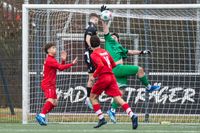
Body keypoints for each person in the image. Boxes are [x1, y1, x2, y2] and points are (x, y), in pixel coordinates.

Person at [100, 5, 161, 123]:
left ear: (118, 39)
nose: (112, 37)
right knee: (139, 69)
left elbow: (131, 52)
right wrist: (103, 17)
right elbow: (105, 28)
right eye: (111, 36)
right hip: (117, 68)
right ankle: (148, 87)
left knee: (120, 93)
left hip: (119, 72)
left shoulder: (120, 47)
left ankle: (112, 110)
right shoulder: (108, 42)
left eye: (115, 37)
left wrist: (142, 52)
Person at [89, 35, 138, 129]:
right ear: (100, 43)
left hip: (104, 77)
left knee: (92, 97)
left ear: (91, 45)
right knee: (118, 98)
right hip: (112, 76)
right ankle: (132, 115)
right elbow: (113, 64)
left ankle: (101, 118)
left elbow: (100, 66)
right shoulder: (105, 52)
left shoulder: (94, 54)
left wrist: (93, 76)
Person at [35, 43, 78, 126]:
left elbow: (60, 68)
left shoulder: (52, 59)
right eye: (53, 48)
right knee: (51, 100)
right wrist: (72, 63)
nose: (55, 49)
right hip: (48, 84)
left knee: (55, 102)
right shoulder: (50, 60)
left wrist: (63, 60)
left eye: (55, 47)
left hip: (50, 84)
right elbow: (61, 68)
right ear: (48, 50)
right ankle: (41, 115)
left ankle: (42, 115)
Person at [84, 13, 99, 109]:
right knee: (91, 77)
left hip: (92, 55)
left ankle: (90, 97)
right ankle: (88, 98)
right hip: (90, 54)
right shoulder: (91, 27)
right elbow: (87, 39)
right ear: (95, 19)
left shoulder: (91, 28)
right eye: (97, 20)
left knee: (94, 77)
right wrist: (93, 48)